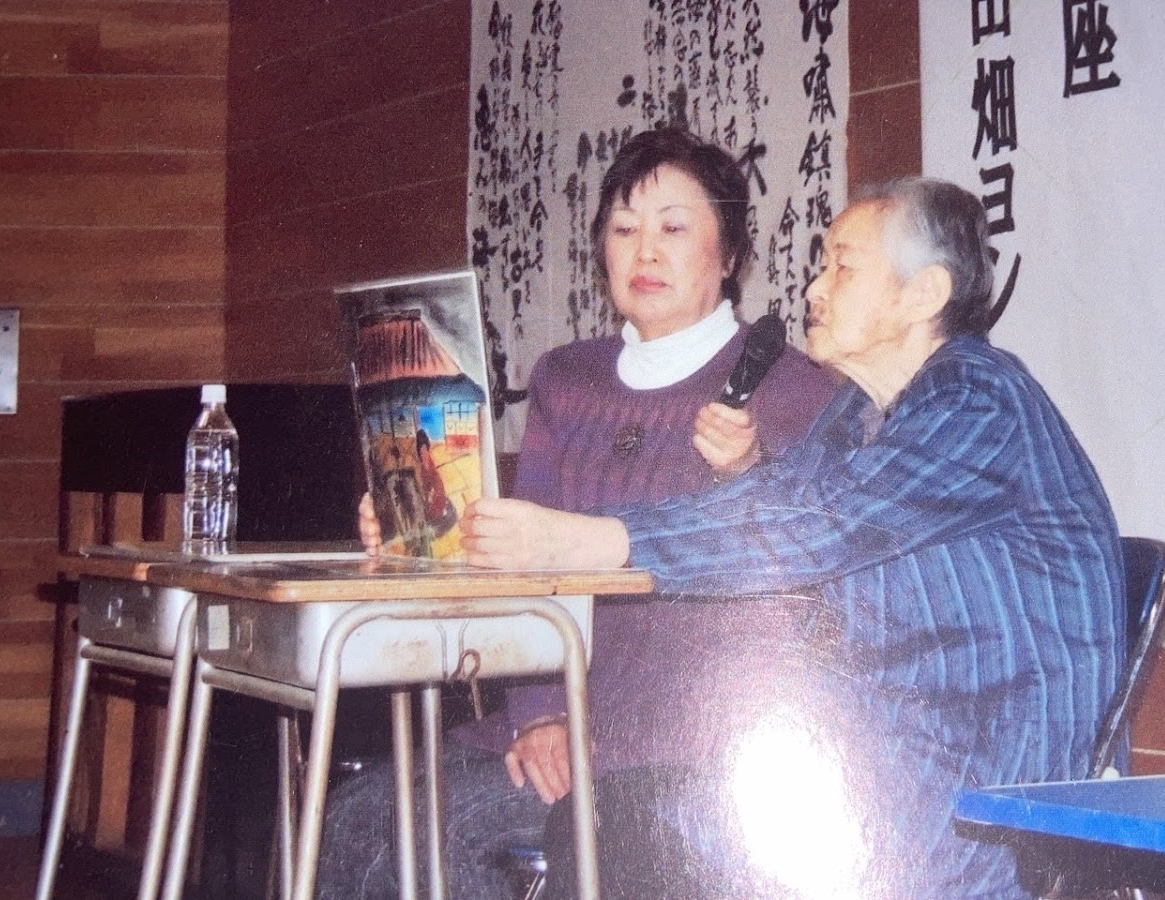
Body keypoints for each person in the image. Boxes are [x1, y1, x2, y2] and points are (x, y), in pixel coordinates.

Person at [459, 177, 1126, 899]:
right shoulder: (858, 413)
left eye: (843, 267)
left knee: (626, 835)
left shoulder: (978, 398)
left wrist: (592, 542)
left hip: (980, 804)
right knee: (604, 821)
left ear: (923, 294)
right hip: (876, 767)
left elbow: (820, 524)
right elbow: (774, 502)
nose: (814, 288)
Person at [315, 128, 837, 899]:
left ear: (729, 253)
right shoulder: (568, 378)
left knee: (436, 844)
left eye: (672, 227)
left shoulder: (791, 387)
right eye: (623, 230)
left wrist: (752, 469)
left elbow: (807, 570)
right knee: (355, 818)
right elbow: (526, 568)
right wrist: (415, 533)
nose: (644, 251)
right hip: (553, 711)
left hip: (694, 746)